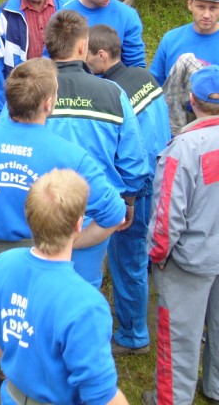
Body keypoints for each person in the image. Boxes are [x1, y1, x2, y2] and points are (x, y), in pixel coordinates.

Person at [0, 58, 126, 405]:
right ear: (48, 103)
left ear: (9, 98)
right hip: (44, 271)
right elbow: (114, 214)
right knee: (41, 358)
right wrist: (73, 241)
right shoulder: (70, 155)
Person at [142, 65, 219, 405]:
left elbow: (167, 216)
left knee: (179, 335)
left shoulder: (182, 148)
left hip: (189, 261)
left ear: (191, 99)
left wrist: (158, 255)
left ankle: (172, 399)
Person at [0, 169, 130, 405]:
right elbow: (102, 397)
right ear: (79, 224)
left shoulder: (2, 265)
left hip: (11, 395)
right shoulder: (86, 305)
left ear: (29, 217)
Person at [44, 10, 148, 289]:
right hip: (94, 216)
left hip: (39, 214)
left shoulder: (30, 92)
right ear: (83, 46)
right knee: (83, 292)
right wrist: (128, 201)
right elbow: (133, 163)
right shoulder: (113, 93)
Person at [85, 24, 171, 356]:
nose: (84, 61)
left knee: (127, 261)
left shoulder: (111, 93)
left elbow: (127, 149)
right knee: (139, 257)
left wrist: (126, 197)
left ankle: (133, 335)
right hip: (163, 173)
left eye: (86, 55)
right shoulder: (145, 77)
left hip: (137, 185)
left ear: (101, 55)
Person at [0, 0, 73, 116]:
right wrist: (1, 109)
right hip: (26, 92)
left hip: (63, 89)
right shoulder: (7, 12)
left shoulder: (68, 4)